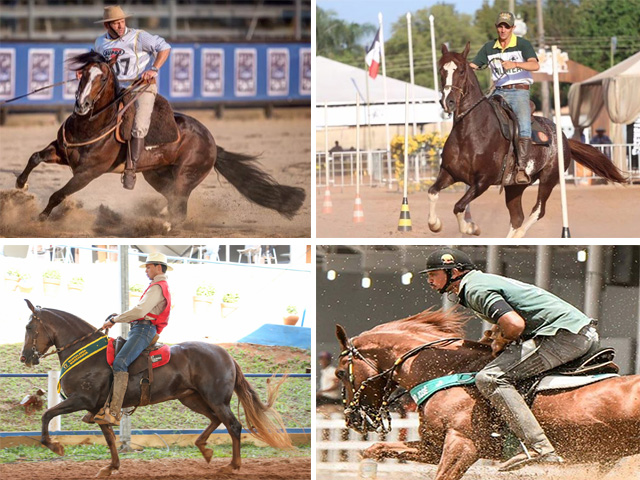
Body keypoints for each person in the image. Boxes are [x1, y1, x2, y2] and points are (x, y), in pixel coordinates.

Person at [420, 247, 599, 471]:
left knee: (490, 378)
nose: (429, 279)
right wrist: (496, 336)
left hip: (564, 337)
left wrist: (501, 341)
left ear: (454, 272)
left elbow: (514, 325)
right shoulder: (481, 282)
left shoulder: (475, 289)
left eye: (433, 273)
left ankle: (539, 446)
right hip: (576, 333)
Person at [91, 5, 171, 190]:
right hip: (116, 90)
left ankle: (130, 169)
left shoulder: (139, 36)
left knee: (138, 125)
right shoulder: (99, 43)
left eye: (122, 22)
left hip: (140, 87)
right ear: (106, 26)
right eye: (115, 23)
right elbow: (96, 63)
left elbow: (164, 47)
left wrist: (154, 69)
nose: (120, 26)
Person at [94, 252, 172, 426]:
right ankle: (103, 407)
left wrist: (114, 319)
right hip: (141, 328)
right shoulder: (157, 286)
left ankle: (114, 412)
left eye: (148, 266)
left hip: (143, 330)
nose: (146, 270)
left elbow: (139, 312)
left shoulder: (157, 287)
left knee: (120, 362)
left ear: (158, 267)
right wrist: (120, 317)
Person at [469, 11, 540, 184]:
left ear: (513, 28)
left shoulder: (522, 44)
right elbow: (473, 65)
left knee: (523, 125)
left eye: (506, 26)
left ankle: (522, 168)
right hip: (498, 91)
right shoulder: (488, 47)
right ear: (496, 27)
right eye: (500, 26)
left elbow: (535, 64)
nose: (503, 30)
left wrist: (515, 64)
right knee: (481, 118)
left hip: (519, 92)